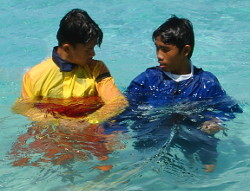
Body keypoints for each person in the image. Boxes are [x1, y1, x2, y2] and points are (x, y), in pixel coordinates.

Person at [127, 15, 242, 172]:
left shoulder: (206, 82)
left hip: (196, 135)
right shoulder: (147, 80)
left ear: (185, 50)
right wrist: (112, 130)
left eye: (165, 49)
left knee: (208, 169)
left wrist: (217, 121)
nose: (158, 55)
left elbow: (230, 108)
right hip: (153, 135)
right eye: (157, 47)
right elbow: (125, 108)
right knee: (148, 170)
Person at [12, 9, 128, 130]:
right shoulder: (34, 75)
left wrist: (87, 122)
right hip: (54, 129)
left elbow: (118, 102)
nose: (93, 54)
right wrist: (58, 123)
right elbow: (22, 107)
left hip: (90, 126)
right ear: (67, 48)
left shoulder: (97, 69)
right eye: (88, 50)